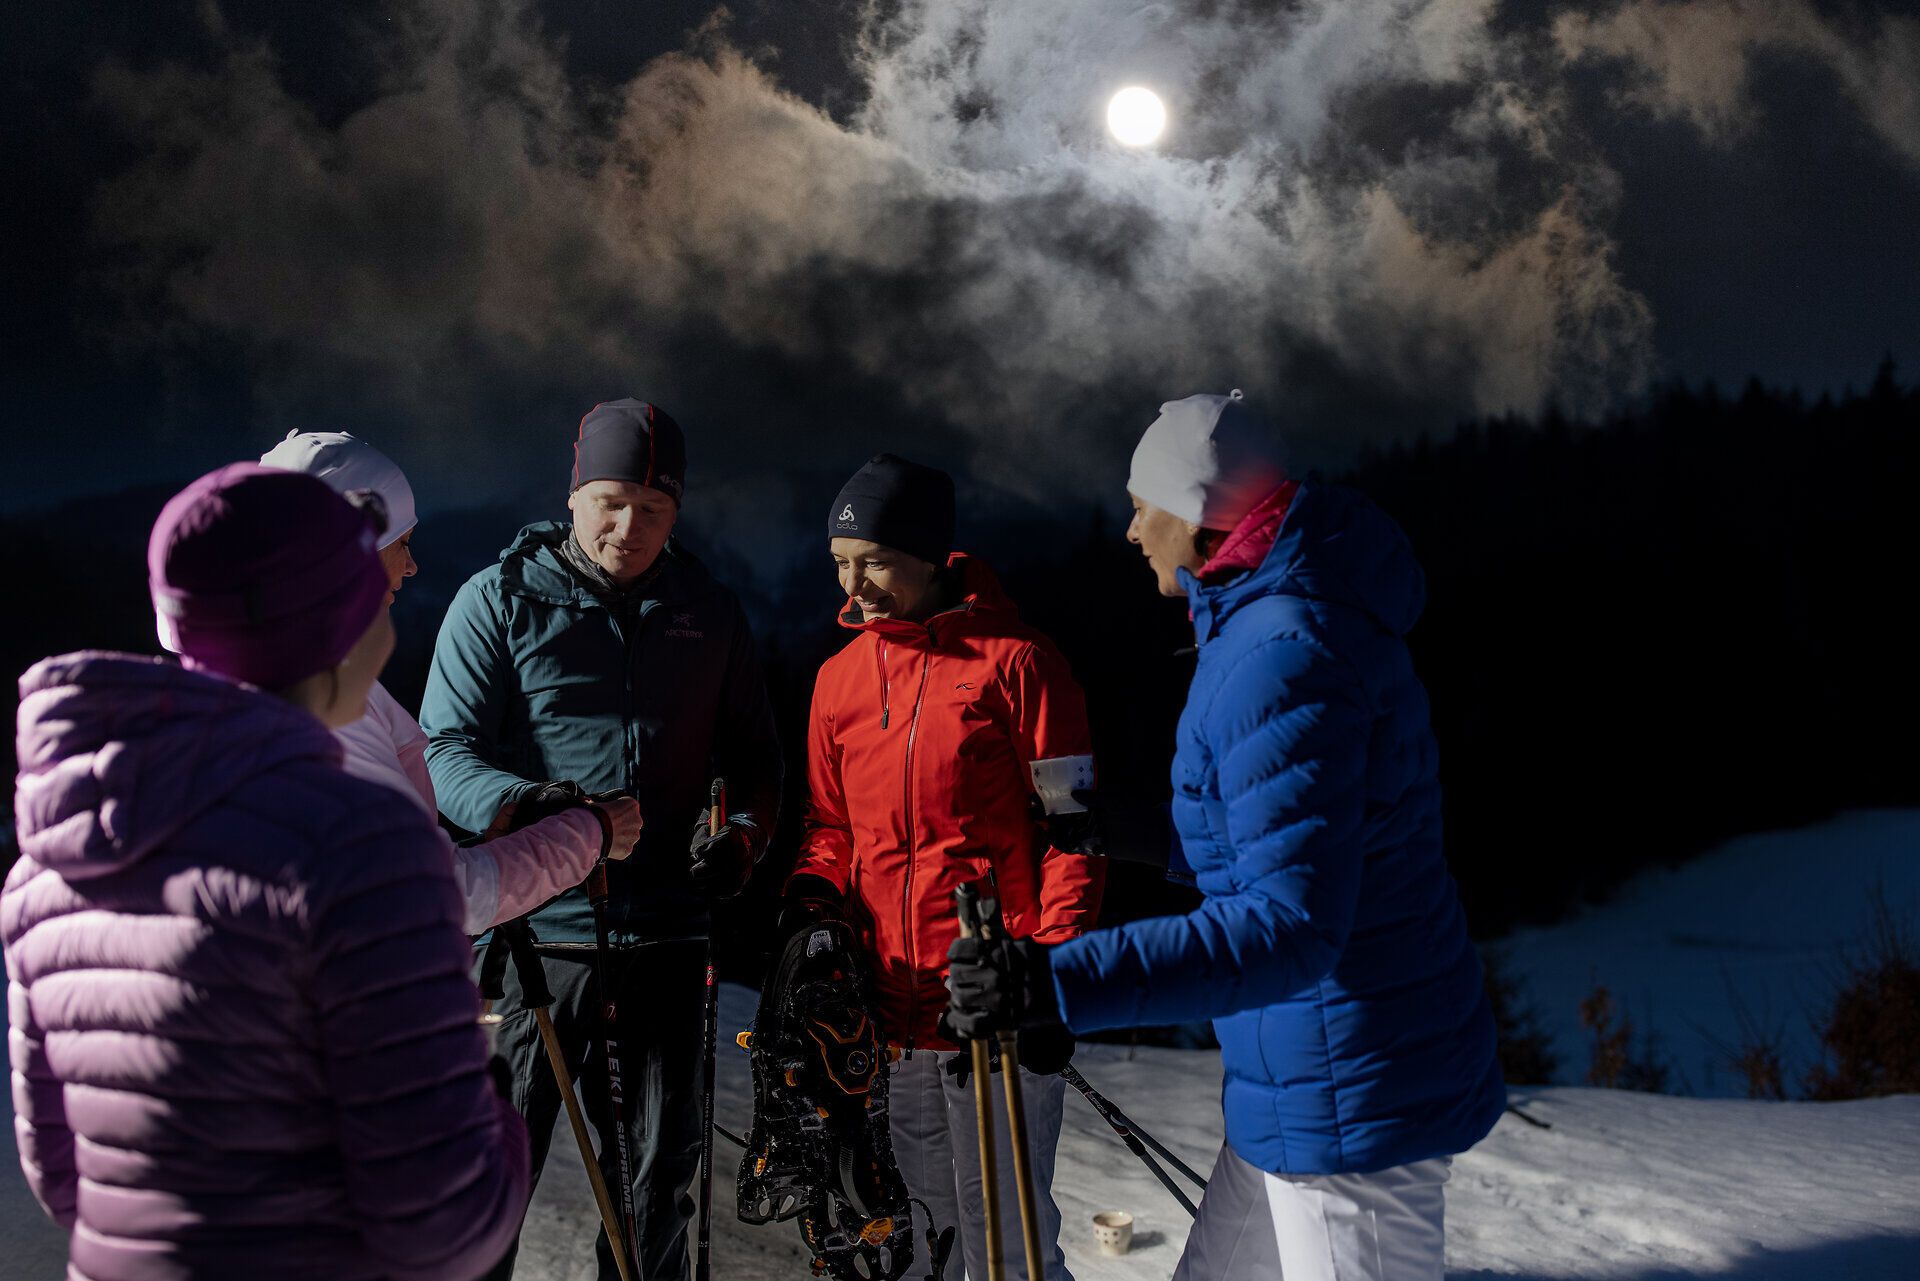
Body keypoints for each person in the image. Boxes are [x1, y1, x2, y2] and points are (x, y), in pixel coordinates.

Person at [946, 392, 1506, 1281]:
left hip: (1349, 1089)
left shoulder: (1283, 652)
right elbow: (1309, 838)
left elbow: (1290, 926)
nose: (1132, 531)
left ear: (1198, 512)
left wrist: (1052, 983)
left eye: (1143, 507)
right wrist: (1138, 831)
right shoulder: (1279, 620)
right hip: (1302, 1067)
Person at [4, 464, 529, 1280]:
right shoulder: (366, 847)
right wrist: (498, 1123)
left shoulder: (48, 865)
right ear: (342, 631)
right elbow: (445, 1227)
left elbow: (65, 1182)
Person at [419, 398, 784, 1281]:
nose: (629, 526)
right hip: (531, 935)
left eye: (653, 507)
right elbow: (442, 752)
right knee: (491, 1180)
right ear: (574, 494)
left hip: (665, 937)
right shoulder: (499, 599)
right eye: (611, 501)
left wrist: (741, 837)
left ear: (677, 510)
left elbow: (757, 760)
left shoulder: (708, 610)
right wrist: (529, 804)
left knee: (655, 1187)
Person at [784, 454, 1105, 1281]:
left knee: (1009, 1247)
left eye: (875, 561)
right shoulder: (838, 681)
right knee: (924, 1239)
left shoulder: (1018, 663)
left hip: (993, 1003)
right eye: (840, 562)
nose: (854, 584)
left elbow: (1074, 835)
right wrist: (813, 897)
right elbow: (831, 824)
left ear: (930, 556)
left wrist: (1049, 969)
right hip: (890, 1016)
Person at [260, 429, 642, 932]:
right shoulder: (318, 703)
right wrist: (590, 833)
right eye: (402, 543)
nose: (412, 566)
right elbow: (437, 892)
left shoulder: (251, 672)